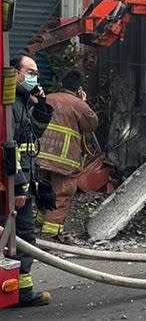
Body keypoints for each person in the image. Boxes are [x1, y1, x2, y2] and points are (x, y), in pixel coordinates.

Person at [9, 52, 55, 307]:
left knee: (19, 235)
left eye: (36, 73)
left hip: (23, 179)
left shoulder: (21, 102)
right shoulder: (9, 105)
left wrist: (41, 106)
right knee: (21, 235)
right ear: (14, 73)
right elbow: (9, 147)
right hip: (15, 183)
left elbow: (32, 137)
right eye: (30, 72)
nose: (34, 77)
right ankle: (21, 291)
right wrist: (17, 186)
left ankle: (18, 287)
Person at [36, 69, 98, 243]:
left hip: (40, 157)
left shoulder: (48, 98)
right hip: (64, 161)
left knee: (43, 192)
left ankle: (37, 228)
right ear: (79, 88)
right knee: (61, 195)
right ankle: (49, 237)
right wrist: (83, 102)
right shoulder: (79, 104)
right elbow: (91, 124)